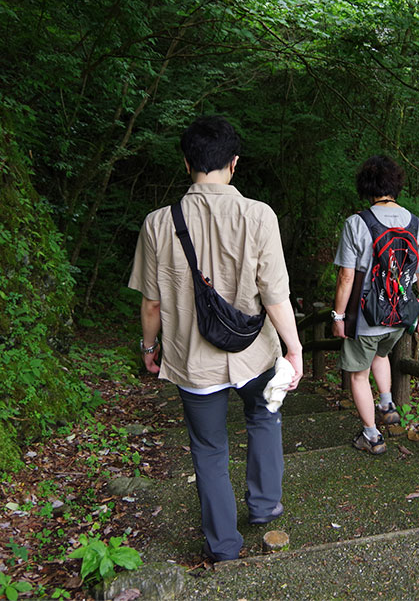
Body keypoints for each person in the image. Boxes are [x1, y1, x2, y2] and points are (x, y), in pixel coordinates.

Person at [128, 115, 303, 562]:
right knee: (264, 419)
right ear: (234, 162)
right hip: (255, 352)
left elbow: (152, 304)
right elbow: (276, 296)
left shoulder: (157, 222)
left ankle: (224, 545)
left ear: (187, 163)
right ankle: (264, 507)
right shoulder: (259, 215)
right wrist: (294, 348)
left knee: (208, 448)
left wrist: (149, 348)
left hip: (193, 358)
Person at [331, 155, 419, 454]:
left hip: (365, 317)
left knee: (357, 374)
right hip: (398, 315)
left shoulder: (357, 223)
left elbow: (346, 277)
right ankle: (387, 403)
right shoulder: (414, 222)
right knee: (381, 355)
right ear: (396, 185)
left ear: (366, 186)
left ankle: (372, 435)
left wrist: (338, 317)